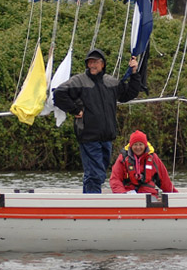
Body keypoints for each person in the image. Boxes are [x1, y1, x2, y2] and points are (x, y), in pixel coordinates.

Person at [52, 48, 143, 193]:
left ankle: (89, 200)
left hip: (107, 136)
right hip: (88, 135)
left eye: (95, 62)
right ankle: (92, 202)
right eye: (90, 62)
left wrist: (134, 73)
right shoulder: (79, 80)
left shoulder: (111, 82)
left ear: (103, 64)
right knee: (95, 174)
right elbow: (58, 94)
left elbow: (128, 94)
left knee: (99, 171)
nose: (92, 65)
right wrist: (75, 110)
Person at [109, 130, 177, 197]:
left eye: (140, 144)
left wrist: (174, 195)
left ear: (145, 145)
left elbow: (164, 180)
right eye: (135, 145)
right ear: (131, 146)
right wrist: (122, 195)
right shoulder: (123, 158)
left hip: (149, 196)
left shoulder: (153, 158)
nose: (138, 147)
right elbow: (115, 179)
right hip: (129, 196)